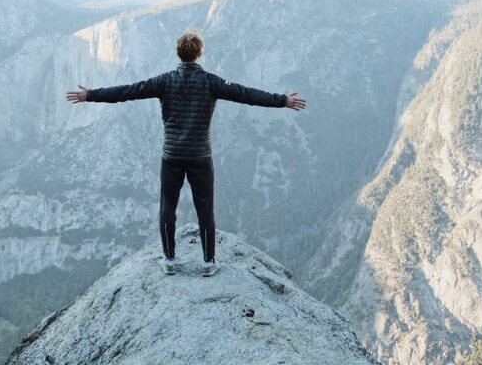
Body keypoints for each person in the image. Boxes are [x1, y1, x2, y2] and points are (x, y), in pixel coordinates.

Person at [66, 29, 306, 277]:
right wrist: (282, 100)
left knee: (167, 206)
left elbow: (128, 91)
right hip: (200, 156)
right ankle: (208, 262)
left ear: (178, 54)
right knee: (205, 208)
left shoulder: (164, 81)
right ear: (199, 53)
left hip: (171, 156)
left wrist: (89, 95)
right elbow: (246, 94)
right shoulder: (212, 82)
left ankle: (169, 260)